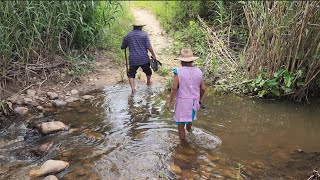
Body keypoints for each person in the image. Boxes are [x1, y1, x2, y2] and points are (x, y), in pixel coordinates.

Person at [167, 48, 206, 141]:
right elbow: (203, 88)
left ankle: (183, 145)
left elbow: (174, 88)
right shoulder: (199, 71)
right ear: (192, 60)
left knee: (180, 125)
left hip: (182, 102)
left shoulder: (178, 71)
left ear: (181, 61)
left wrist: (170, 102)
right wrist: (199, 99)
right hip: (194, 101)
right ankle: (189, 133)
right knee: (189, 119)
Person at [121, 23, 157, 94]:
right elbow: (149, 47)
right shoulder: (144, 34)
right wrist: (153, 55)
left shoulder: (128, 35)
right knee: (148, 71)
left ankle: (133, 89)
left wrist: (125, 44)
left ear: (133, 27)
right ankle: (148, 82)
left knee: (131, 73)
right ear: (141, 27)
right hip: (144, 58)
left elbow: (123, 46)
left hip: (133, 59)